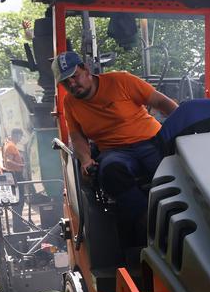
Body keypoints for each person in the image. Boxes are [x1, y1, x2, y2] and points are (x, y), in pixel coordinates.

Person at [53, 51, 178, 245]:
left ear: (85, 70)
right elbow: (77, 136)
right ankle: (152, 224)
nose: (72, 85)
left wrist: (184, 126)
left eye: (74, 77)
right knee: (110, 172)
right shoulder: (70, 103)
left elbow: (162, 102)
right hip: (114, 151)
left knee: (173, 171)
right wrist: (86, 160)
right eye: (65, 83)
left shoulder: (121, 81)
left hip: (151, 141)